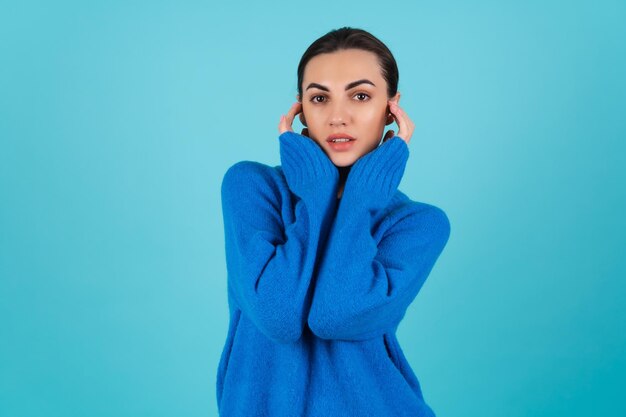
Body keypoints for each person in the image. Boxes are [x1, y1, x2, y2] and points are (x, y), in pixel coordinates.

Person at [217, 27, 451, 417]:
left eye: (361, 96)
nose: (338, 116)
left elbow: (335, 315)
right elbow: (278, 316)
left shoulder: (418, 224)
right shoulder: (251, 188)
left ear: (392, 107)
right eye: (320, 98)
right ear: (300, 109)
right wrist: (317, 193)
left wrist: (360, 199)